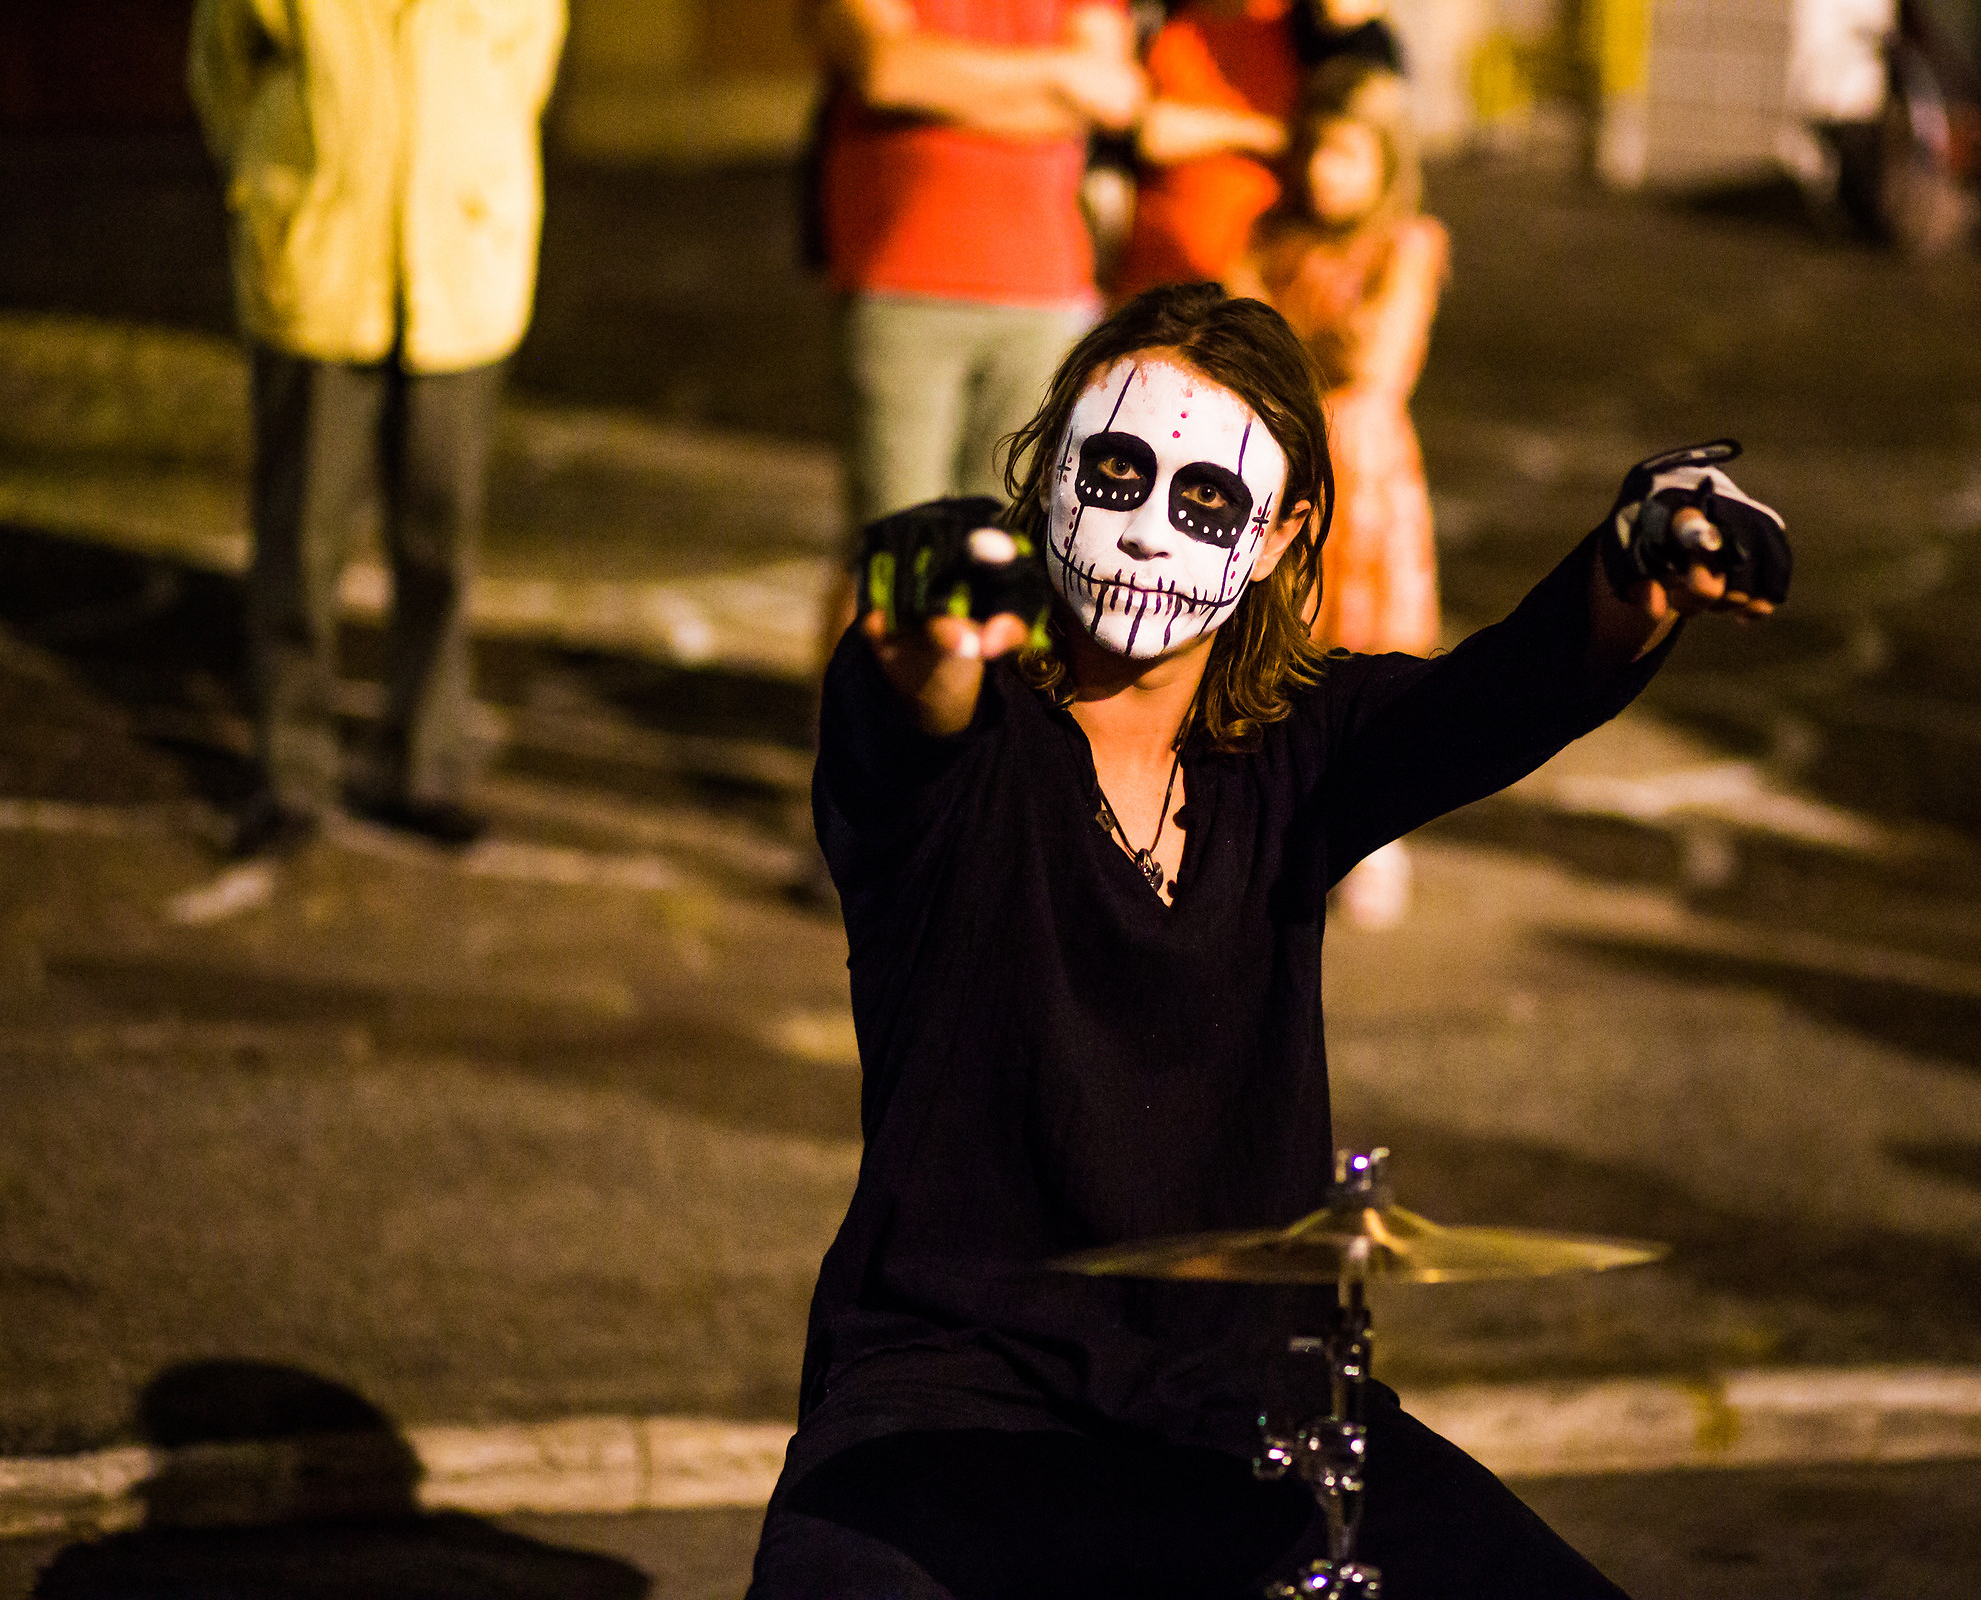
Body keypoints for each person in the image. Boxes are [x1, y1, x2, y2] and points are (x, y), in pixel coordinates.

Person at [747, 283, 1790, 1598]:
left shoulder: (1295, 749)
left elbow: (1500, 694)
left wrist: (1639, 568)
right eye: (1115, 471)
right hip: (946, 1403)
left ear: (1283, 528)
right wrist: (926, 589)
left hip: (1252, 1419)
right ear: (1055, 457)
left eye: (1203, 499)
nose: (1141, 531)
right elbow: (902, 682)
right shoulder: (965, 755)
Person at [187, 0, 568, 856]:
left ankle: (422, 765)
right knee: (301, 538)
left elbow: (527, 60)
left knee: (441, 539)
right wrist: (278, 170)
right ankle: (292, 774)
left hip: (459, 264)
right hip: (322, 261)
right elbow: (223, 63)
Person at [1236, 58, 1447, 926]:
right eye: (1317, 153)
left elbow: (1375, 357)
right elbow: (1237, 329)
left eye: (1350, 157)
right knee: (1275, 649)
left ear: (1388, 163)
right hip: (1279, 463)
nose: (1327, 174)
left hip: (1362, 472)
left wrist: (1299, 334)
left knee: (1363, 659)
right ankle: (1274, 820)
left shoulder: (1409, 243)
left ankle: (1373, 833)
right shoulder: (1269, 236)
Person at [815, 0, 1146, 533]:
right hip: (904, 284)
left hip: (1047, 292)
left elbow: (1115, 95)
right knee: (898, 547)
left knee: (1009, 544)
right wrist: (1060, 74)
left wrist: (948, 86)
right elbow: (889, 71)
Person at [1111, 0, 1400, 302]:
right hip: (1150, 271)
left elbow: (1364, 113)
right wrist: (1271, 134)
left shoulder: (1297, 28)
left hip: (1257, 278)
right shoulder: (1168, 23)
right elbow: (1151, 132)